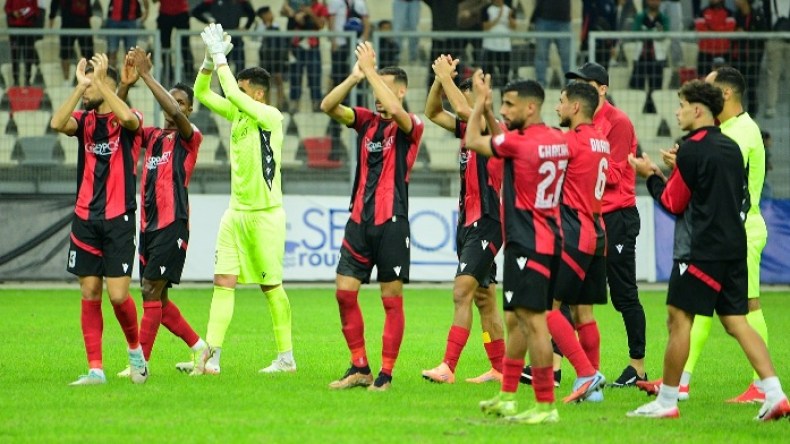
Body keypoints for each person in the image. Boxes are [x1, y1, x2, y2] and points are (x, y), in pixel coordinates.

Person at [626, 79, 790, 421]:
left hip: (701, 249)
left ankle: (667, 400)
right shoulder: (730, 146)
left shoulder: (691, 149)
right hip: (734, 245)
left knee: (678, 320)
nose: (677, 112)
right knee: (736, 321)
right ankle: (775, 394)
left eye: (682, 105)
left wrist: (651, 175)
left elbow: (673, 202)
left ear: (698, 110)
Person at [320, 41, 424, 392]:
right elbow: (327, 106)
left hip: (392, 222)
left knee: (390, 298)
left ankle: (386, 373)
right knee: (344, 293)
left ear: (401, 91)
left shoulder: (411, 126)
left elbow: (394, 108)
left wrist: (371, 73)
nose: (378, 97)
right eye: (375, 89)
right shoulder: (365, 121)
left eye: (385, 89)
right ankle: (359, 366)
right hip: (359, 222)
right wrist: (355, 77)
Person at [191, 23, 295, 375]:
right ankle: (212, 357)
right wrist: (209, 61)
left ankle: (286, 358)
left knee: (271, 286)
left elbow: (233, 94)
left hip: (265, 215)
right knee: (223, 282)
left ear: (259, 95)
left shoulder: (271, 117)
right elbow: (201, 92)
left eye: (245, 89)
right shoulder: (238, 112)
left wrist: (221, 58)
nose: (238, 93)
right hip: (234, 214)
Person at [465, 72, 565, 424]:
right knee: (514, 319)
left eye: (510, 105)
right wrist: (492, 111)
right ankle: (507, 397)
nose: (504, 111)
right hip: (548, 239)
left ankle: (545, 406)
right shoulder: (555, 139)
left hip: (528, 243)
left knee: (534, 324)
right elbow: (504, 138)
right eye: (502, 104)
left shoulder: (519, 144)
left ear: (531, 107)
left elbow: (472, 140)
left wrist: (480, 104)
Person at [111, 47, 210, 377]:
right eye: (171, 100)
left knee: (150, 290)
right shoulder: (151, 136)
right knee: (158, 300)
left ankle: (140, 365)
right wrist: (125, 85)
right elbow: (120, 119)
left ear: (189, 109)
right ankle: (201, 348)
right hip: (148, 225)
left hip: (172, 223)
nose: (173, 106)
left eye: (180, 102)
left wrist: (147, 75)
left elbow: (176, 115)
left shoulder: (191, 137)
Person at [49, 53, 146, 385]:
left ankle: (135, 351)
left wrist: (104, 86)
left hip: (118, 218)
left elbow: (128, 119)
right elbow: (57, 123)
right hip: (85, 218)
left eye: (90, 85)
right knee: (90, 291)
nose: (85, 89)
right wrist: (80, 87)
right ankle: (95, 369)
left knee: (118, 296)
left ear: (106, 85)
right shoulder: (84, 121)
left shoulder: (129, 117)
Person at [421, 55, 505, 385]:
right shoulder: (468, 130)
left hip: (487, 220)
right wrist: (439, 80)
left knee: (461, 292)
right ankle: (499, 368)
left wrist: (446, 77)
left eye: (469, 96)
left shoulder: (490, 126)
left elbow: (461, 110)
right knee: (484, 298)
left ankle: (448, 366)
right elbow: (432, 112)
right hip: (467, 223)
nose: (463, 103)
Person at [565, 62, 647, 388]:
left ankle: (638, 367)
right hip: (591, 216)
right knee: (574, 293)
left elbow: (613, 173)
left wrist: (580, 163)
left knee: (624, 294)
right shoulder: (581, 123)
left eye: (586, 83)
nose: (579, 89)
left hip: (618, 216)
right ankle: (561, 367)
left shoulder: (618, 122)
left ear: (602, 89)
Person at [548, 81, 611, 402]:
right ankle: (592, 389)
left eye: (561, 101)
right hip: (598, 231)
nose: (557, 107)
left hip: (574, 230)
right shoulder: (601, 140)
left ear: (575, 107)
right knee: (584, 313)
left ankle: (586, 373)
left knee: (546, 308)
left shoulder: (571, 141)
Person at [281, 0, 328, 113]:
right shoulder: (295, 4)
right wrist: (291, 11)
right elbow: (283, 12)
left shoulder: (319, 7)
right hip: (296, 46)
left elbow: (321, 25)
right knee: (295, 76)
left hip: (312, 47)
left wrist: (310, 13)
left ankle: (316, 104)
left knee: (315, 76)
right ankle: (294, 105)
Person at [192, 0, 256, 72]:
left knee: (239, 65)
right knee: (222, 65)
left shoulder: (240, 1)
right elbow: (195, 12)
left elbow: (252, 14)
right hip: (221, 37)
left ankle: (239, 79)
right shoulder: (212, 1)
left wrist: (246, 27)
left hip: (234, 37)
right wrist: (208, 21)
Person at [327, 0, 370, 89]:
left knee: (358, 71)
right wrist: (333, 41)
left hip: (356, 42)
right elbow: (331, 22)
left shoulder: (359, 2)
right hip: (340, 42)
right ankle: (340, 95)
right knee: (339, 73)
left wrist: (363, 41)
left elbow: (366, 22)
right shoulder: (335, 2)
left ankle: (358, 96)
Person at [49, 0, 95, 84]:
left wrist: (51, 17)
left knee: (88, 54)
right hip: (69, 24)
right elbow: (55, 3)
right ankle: (66, 81)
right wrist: (51, 17)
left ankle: (88, 79)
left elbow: (87, 5)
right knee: (65, 54)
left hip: (82, 24)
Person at [629, 0, 669, 94]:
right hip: (641, 57)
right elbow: (634, 33)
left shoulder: (663, 18)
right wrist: (655, 32)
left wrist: (645, 32)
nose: (654, 2)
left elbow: (665, 34)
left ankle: (652, 104)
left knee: (656, 89)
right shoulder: (640, 17)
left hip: (657, 58)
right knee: (636, 88)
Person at [153, 0, 195, 85]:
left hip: (179, 12)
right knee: (166, 47)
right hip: (167, 13)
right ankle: (169, 74)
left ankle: (188, 72)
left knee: (184, 46)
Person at [533, 0, 572, 87]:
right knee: (541, 54)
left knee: (566, 55)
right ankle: (540, 83)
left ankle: (570, 83)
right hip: (544, 17)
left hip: (563, 19)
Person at [256, 6, 288, 110]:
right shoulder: (260, 28)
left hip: (277, 57)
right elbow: (257, 40)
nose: (271, 15)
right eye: (269, 13)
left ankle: (281, 103)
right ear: (264, 16)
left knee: (279, 79)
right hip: (265, 57)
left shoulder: (276, 26)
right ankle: (267, 104)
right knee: (266, 82)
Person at [694, 0, 736, 78]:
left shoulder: (729, 13)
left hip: (723, 52)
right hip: (705, 52)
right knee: (703, 80)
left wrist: (711, 30)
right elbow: (700, 29)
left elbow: (729, 29)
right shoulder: (702, 12)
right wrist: (719, 30)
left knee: (724, 80)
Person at [762, 0, 788, 119]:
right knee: (773, 75)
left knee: (773, 76)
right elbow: (765, 15)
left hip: (775, 37)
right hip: (774, 39)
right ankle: (770, 106)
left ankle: (770, 107)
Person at [481, 0, 516, 88]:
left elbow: (514, 26)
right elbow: (485, 27)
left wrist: (509, 17)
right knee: (487, 76)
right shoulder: (486, 9)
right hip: (489, 47)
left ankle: (504, 95)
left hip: (504, 48)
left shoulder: (509, 9)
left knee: (504, 77)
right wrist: (498, 17)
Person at [5, 0, 41, 86]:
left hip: (28, 29)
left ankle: (27, 80)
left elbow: (36, 11)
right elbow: (7, 8)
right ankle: (15, 80)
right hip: (15, 29)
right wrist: (13, 13)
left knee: (28, 55)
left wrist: (28, 14)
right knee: (15, 55)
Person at [105, 0, 150, 68]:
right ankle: (112, 73)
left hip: (131, 20)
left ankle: (128, 74)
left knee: (130, 53)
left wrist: (146, 12)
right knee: (112, 51)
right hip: (114, 19)